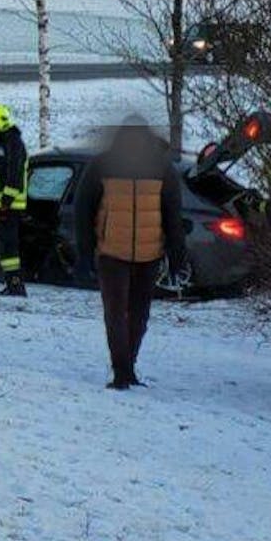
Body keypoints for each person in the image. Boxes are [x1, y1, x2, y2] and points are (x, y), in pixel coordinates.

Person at [74, 117, 187, 390]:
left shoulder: (161, 167)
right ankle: (122, 370)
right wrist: (86, 250)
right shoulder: (103, 165)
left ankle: (127, 367)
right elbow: (84, 208)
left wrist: (176, 255)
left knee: (136, 315)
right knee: (118, 314)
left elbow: (173, 215)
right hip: (112, 253)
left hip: (148, 255)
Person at [0, 104, 29, 297]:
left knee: (9, 245)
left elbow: (14, 173)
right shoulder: (4, 143)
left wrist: (6, 201)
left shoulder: (13, 142)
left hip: (8, 205)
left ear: (0, 123)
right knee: (5, 245)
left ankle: (15, 284)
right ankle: (12, 283)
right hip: (2, 204)